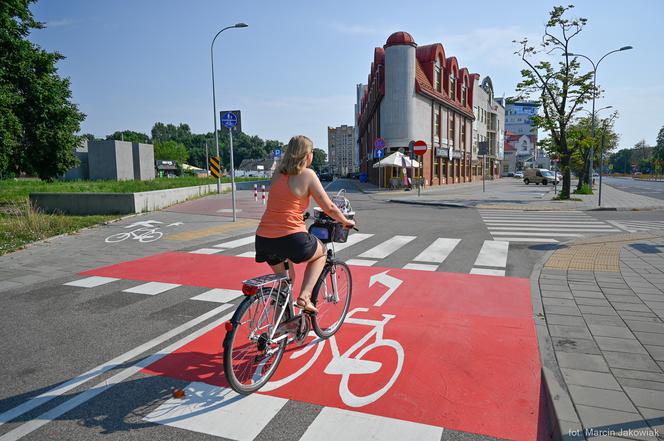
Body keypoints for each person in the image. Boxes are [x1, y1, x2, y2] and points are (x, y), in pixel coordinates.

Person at [255, 135, 355, 313]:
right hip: (291, 237)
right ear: (306, 155)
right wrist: (345, 221)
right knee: (321, 252)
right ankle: (305, 297)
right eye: (311, 152)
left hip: (264, 238)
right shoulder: (308, 175)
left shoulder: (277, 172)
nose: (312, 156)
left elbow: (282, 202)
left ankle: (281, 325)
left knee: (285, 280)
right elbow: (329, 207)